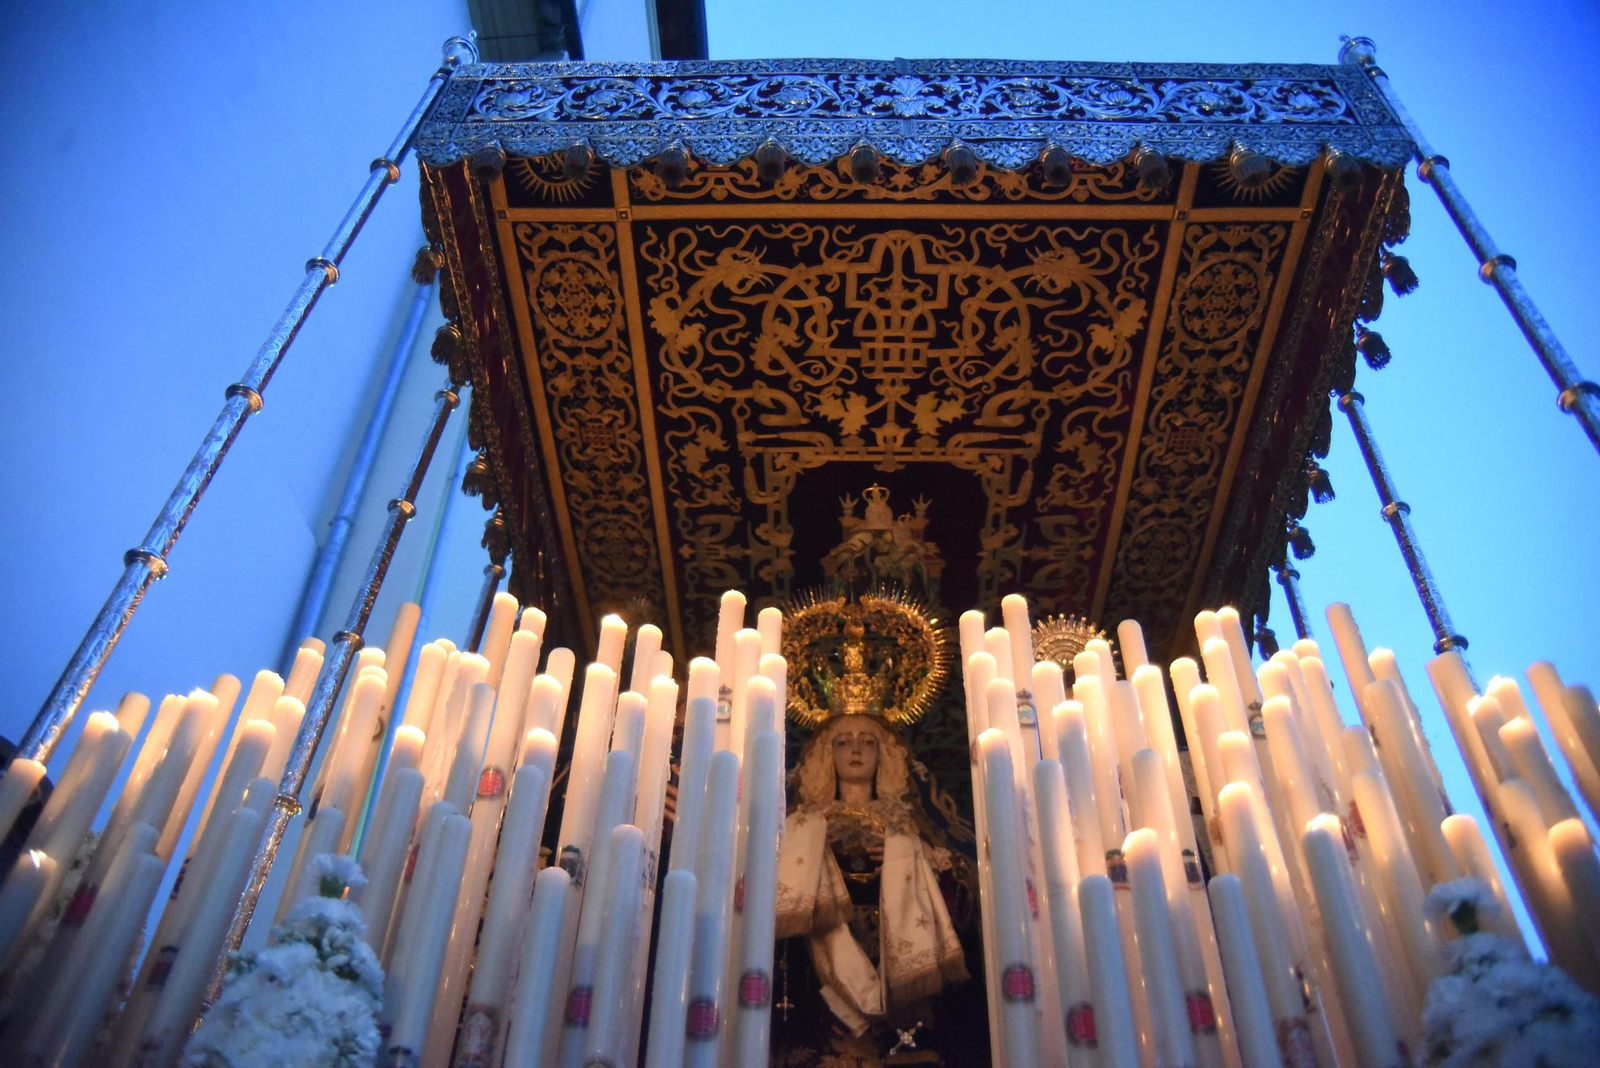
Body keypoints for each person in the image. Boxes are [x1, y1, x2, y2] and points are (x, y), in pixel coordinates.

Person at [774, 713, 972, 1064]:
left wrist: (918, 855)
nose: (855, 749)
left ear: (885, 756)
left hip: (897, 964)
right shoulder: (801, 825)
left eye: (868, 741)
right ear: (826, 755)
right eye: (843, 741)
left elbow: (964, 896)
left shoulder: (910, 824)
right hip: (822, 968)